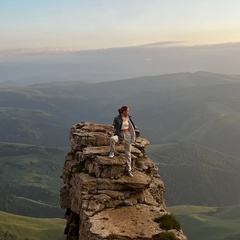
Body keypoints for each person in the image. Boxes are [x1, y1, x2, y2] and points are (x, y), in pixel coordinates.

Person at [109, 106, 136, 177]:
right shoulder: (117, 118)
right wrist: (121, 139)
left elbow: (131, 128)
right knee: (112, 139)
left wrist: (133, 138)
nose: (128, 112)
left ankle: (129, 169)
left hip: (128, 135)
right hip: (120, 134)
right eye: (127, 111)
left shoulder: (128, 118)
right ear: (123, 111)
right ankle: (112, 151)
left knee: (128, 153)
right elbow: (116, 129)